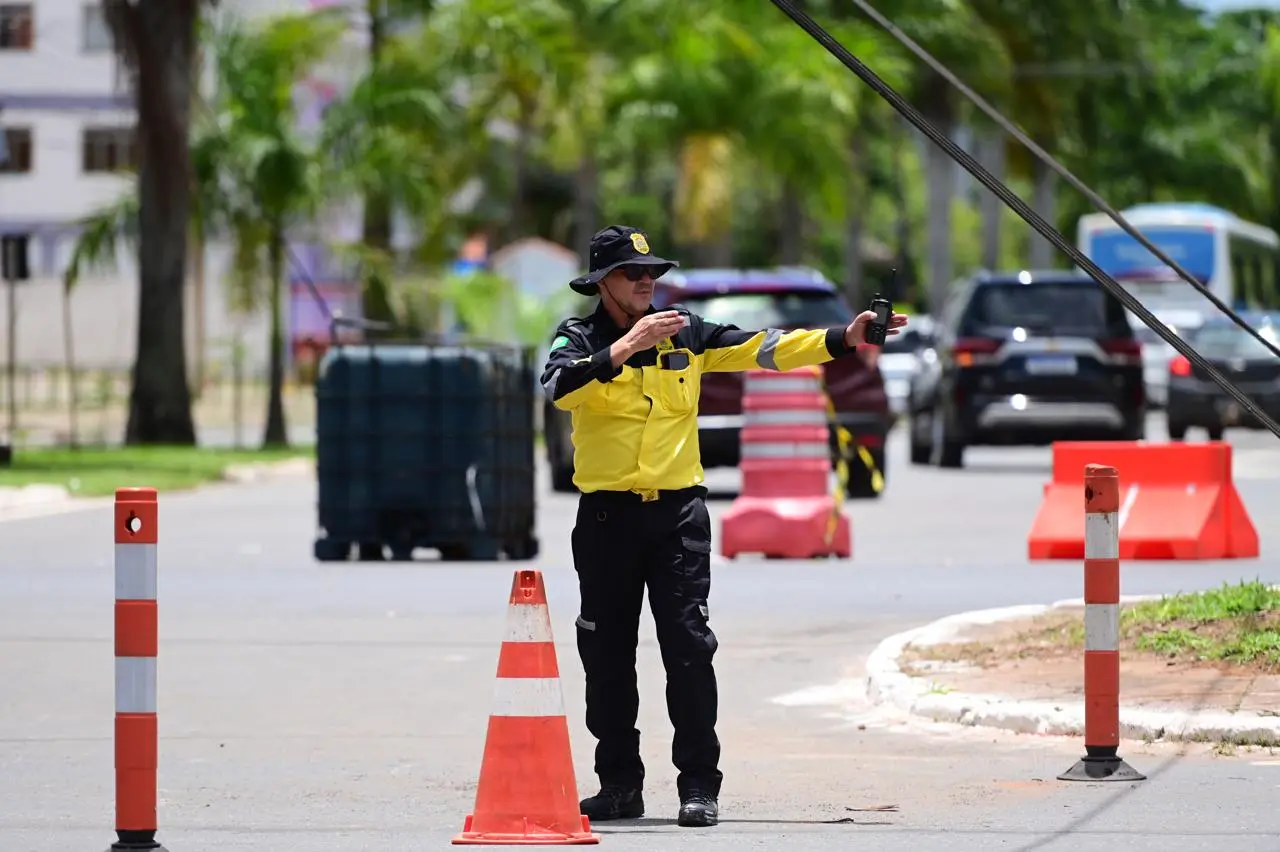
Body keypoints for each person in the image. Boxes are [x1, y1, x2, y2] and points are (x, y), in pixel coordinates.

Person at [540, 225, 908, 829]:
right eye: (634, 275)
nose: (646, 283)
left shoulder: (686, 331)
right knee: (606, 656)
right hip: (608, 518)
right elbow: (558, 387)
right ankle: (619, 786)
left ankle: (698, 787)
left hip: (677, 516)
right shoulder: (578, 337)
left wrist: (844, 338)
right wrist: (627, 346)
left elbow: (765, 347)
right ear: (604, 282)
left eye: (652, 273)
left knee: (688, 650)